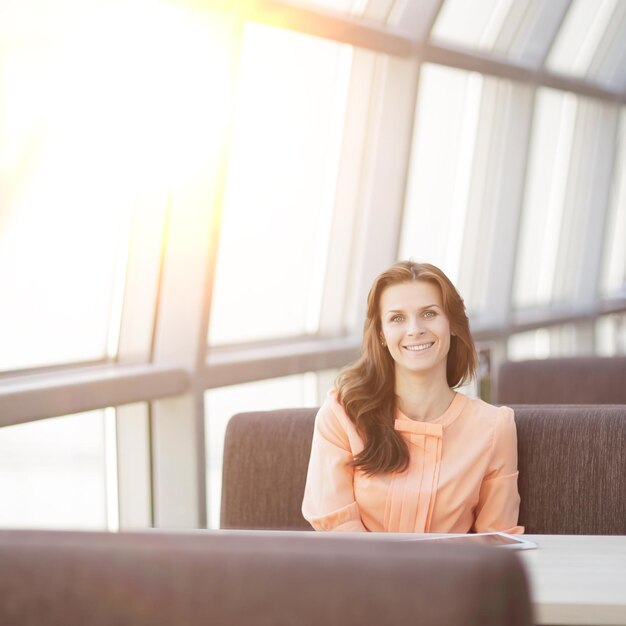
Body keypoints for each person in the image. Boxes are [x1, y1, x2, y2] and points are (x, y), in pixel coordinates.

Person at [302, 261, 523, 533]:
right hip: (357, 574)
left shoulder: (494, 427)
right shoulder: (341, 415)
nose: (414, 329)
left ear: (452, 324)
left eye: (429, 314)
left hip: (449, 575)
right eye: (397, 318)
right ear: (381, 334)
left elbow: (497, 541)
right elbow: (337, 529)